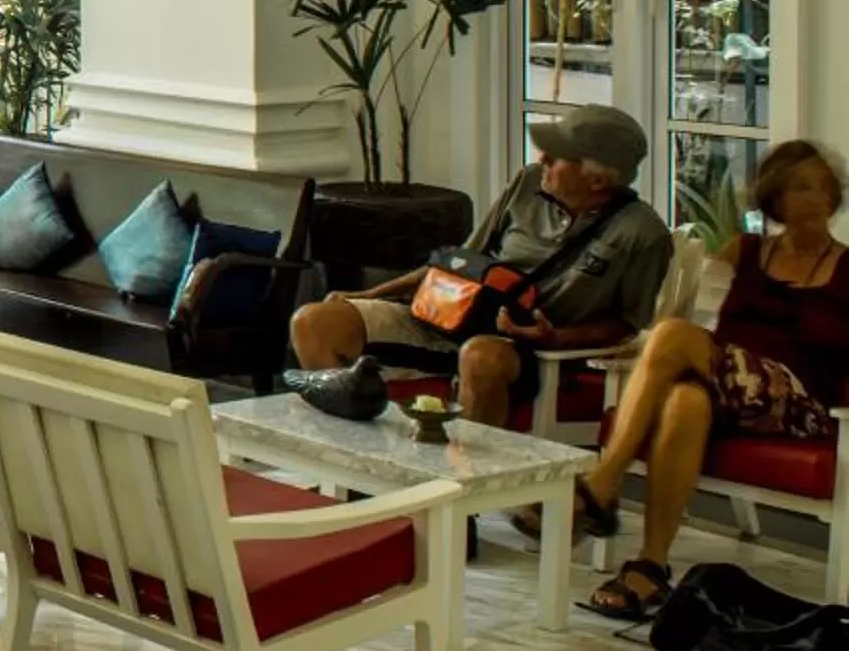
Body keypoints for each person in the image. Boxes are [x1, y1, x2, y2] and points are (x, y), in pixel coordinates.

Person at [572, 140, 849, 617]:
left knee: (672, 334)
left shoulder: (847, 269)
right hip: (730, 387)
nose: (816, 198)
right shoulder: (743, 252)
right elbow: (704, 322)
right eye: (802, 187)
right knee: (685, 401)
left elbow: (683, 336)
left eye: (824, 188)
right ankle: (650, 568)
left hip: (802, 403)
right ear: (776, 198)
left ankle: (602, 482)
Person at [289, 103, 673, 436]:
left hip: (527, 350)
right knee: (315, 321)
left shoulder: (641, 234)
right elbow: (458, 262)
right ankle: (364, 464)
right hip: (450, 314)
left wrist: (553, 338)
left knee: (480, 355)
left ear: (598, 179)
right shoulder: (526, 184)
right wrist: (367, 296)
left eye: (557, 157)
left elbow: (627, 323)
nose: (542, 160)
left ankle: (465, 497)